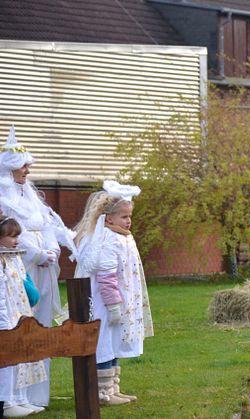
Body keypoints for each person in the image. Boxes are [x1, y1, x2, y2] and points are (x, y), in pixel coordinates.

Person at [0, 126, 73, 408]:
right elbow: (13, 234)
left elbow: (48, 224)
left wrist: (52, 249)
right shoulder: (5, 200)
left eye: (28, 166)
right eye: (22, 166)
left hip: (44, 267)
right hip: (20, 269)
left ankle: (35, 394)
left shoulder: (30, 196)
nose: (27, 171)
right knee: (21, 324)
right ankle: (14, 395)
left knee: (40, 326)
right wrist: (37, 253)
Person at [73, 180, 153, 406]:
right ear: (109, 218)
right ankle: (101, 392)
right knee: (104, 343)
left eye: (130, 216)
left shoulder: (122, 236)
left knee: (115, 341)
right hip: (106, 303)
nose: (128, 221)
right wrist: (113, 305)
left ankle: (112, 388)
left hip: (118, 300)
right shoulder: (107, 239)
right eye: (124, 217)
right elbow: (106, 276)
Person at [0, 216, 47, 417]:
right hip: (7, 318)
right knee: (8, 361)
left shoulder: (13, 257)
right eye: (11, 236)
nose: (16, 240)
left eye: (17, 236)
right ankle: (7, 401)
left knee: (22, 358)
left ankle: (21, 398)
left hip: (19, 314)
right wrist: (4, 323)